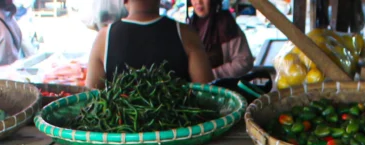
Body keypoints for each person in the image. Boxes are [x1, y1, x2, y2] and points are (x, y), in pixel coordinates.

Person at [86, 0, 214, 88]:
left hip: (121, 128)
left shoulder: (103, 38)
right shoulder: (186, 34)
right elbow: (207, 94)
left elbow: (91, 99)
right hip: (178, 127)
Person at [187, 0, 253, 80]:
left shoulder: (226, 25)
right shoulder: (190, 25)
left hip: (221, 89)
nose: (198, 2)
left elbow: (244, 62)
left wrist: (211, 75)